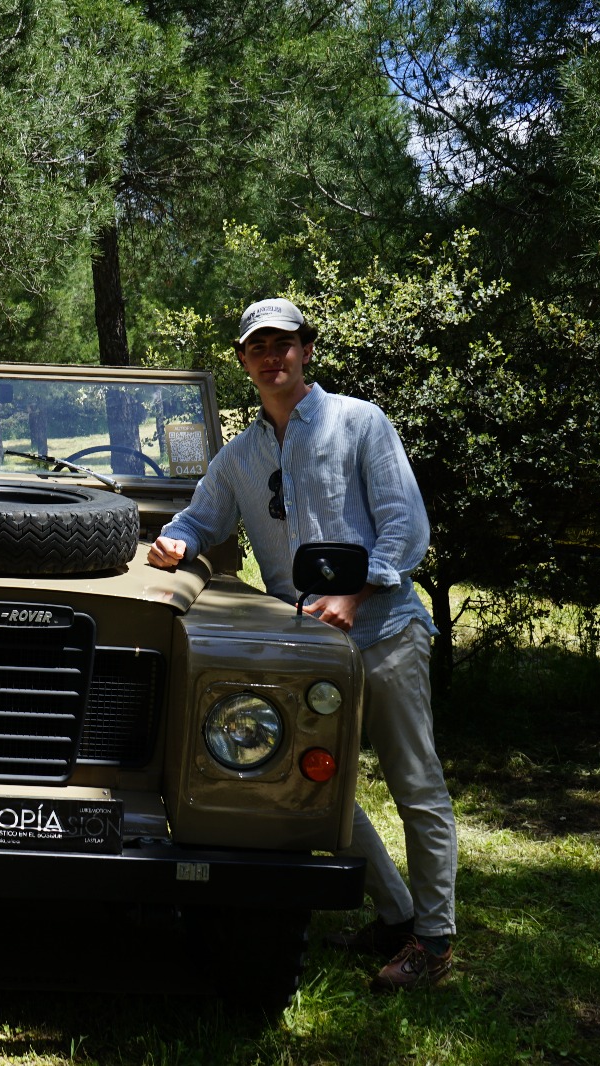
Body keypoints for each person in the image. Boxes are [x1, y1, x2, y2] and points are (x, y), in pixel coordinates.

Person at [146, 298, 457, 992]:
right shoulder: (241, 456)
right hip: (309, 651)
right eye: (257, 347)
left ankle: (433, 942)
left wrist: (357, 593)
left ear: (307, 349)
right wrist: (178, 542)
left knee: (416, 785)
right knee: (309, 784)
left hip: (385, 633)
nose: (271, 357)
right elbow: (202, 516)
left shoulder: (359, 422)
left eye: (283, 343)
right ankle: (397, 914)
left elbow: (408, 528)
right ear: (243, 361)